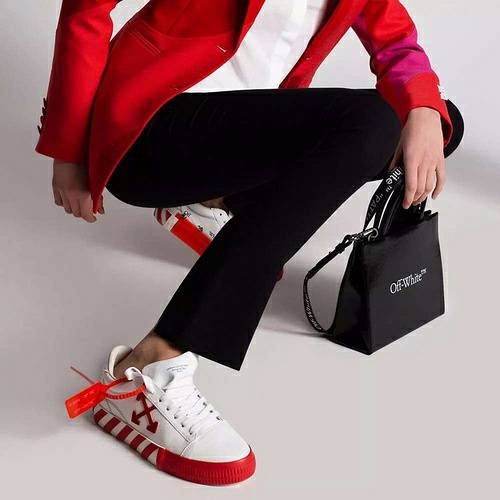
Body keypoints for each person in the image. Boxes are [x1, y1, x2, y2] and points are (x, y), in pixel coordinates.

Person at [35, 0, 464, 486]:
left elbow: (395, 39)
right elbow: (85, 9)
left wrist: (423, 108)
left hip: (233, 136)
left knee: (434, 121)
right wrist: (69, 148)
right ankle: (154, 360)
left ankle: (213, 201)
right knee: (373, 124)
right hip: (149, 125)